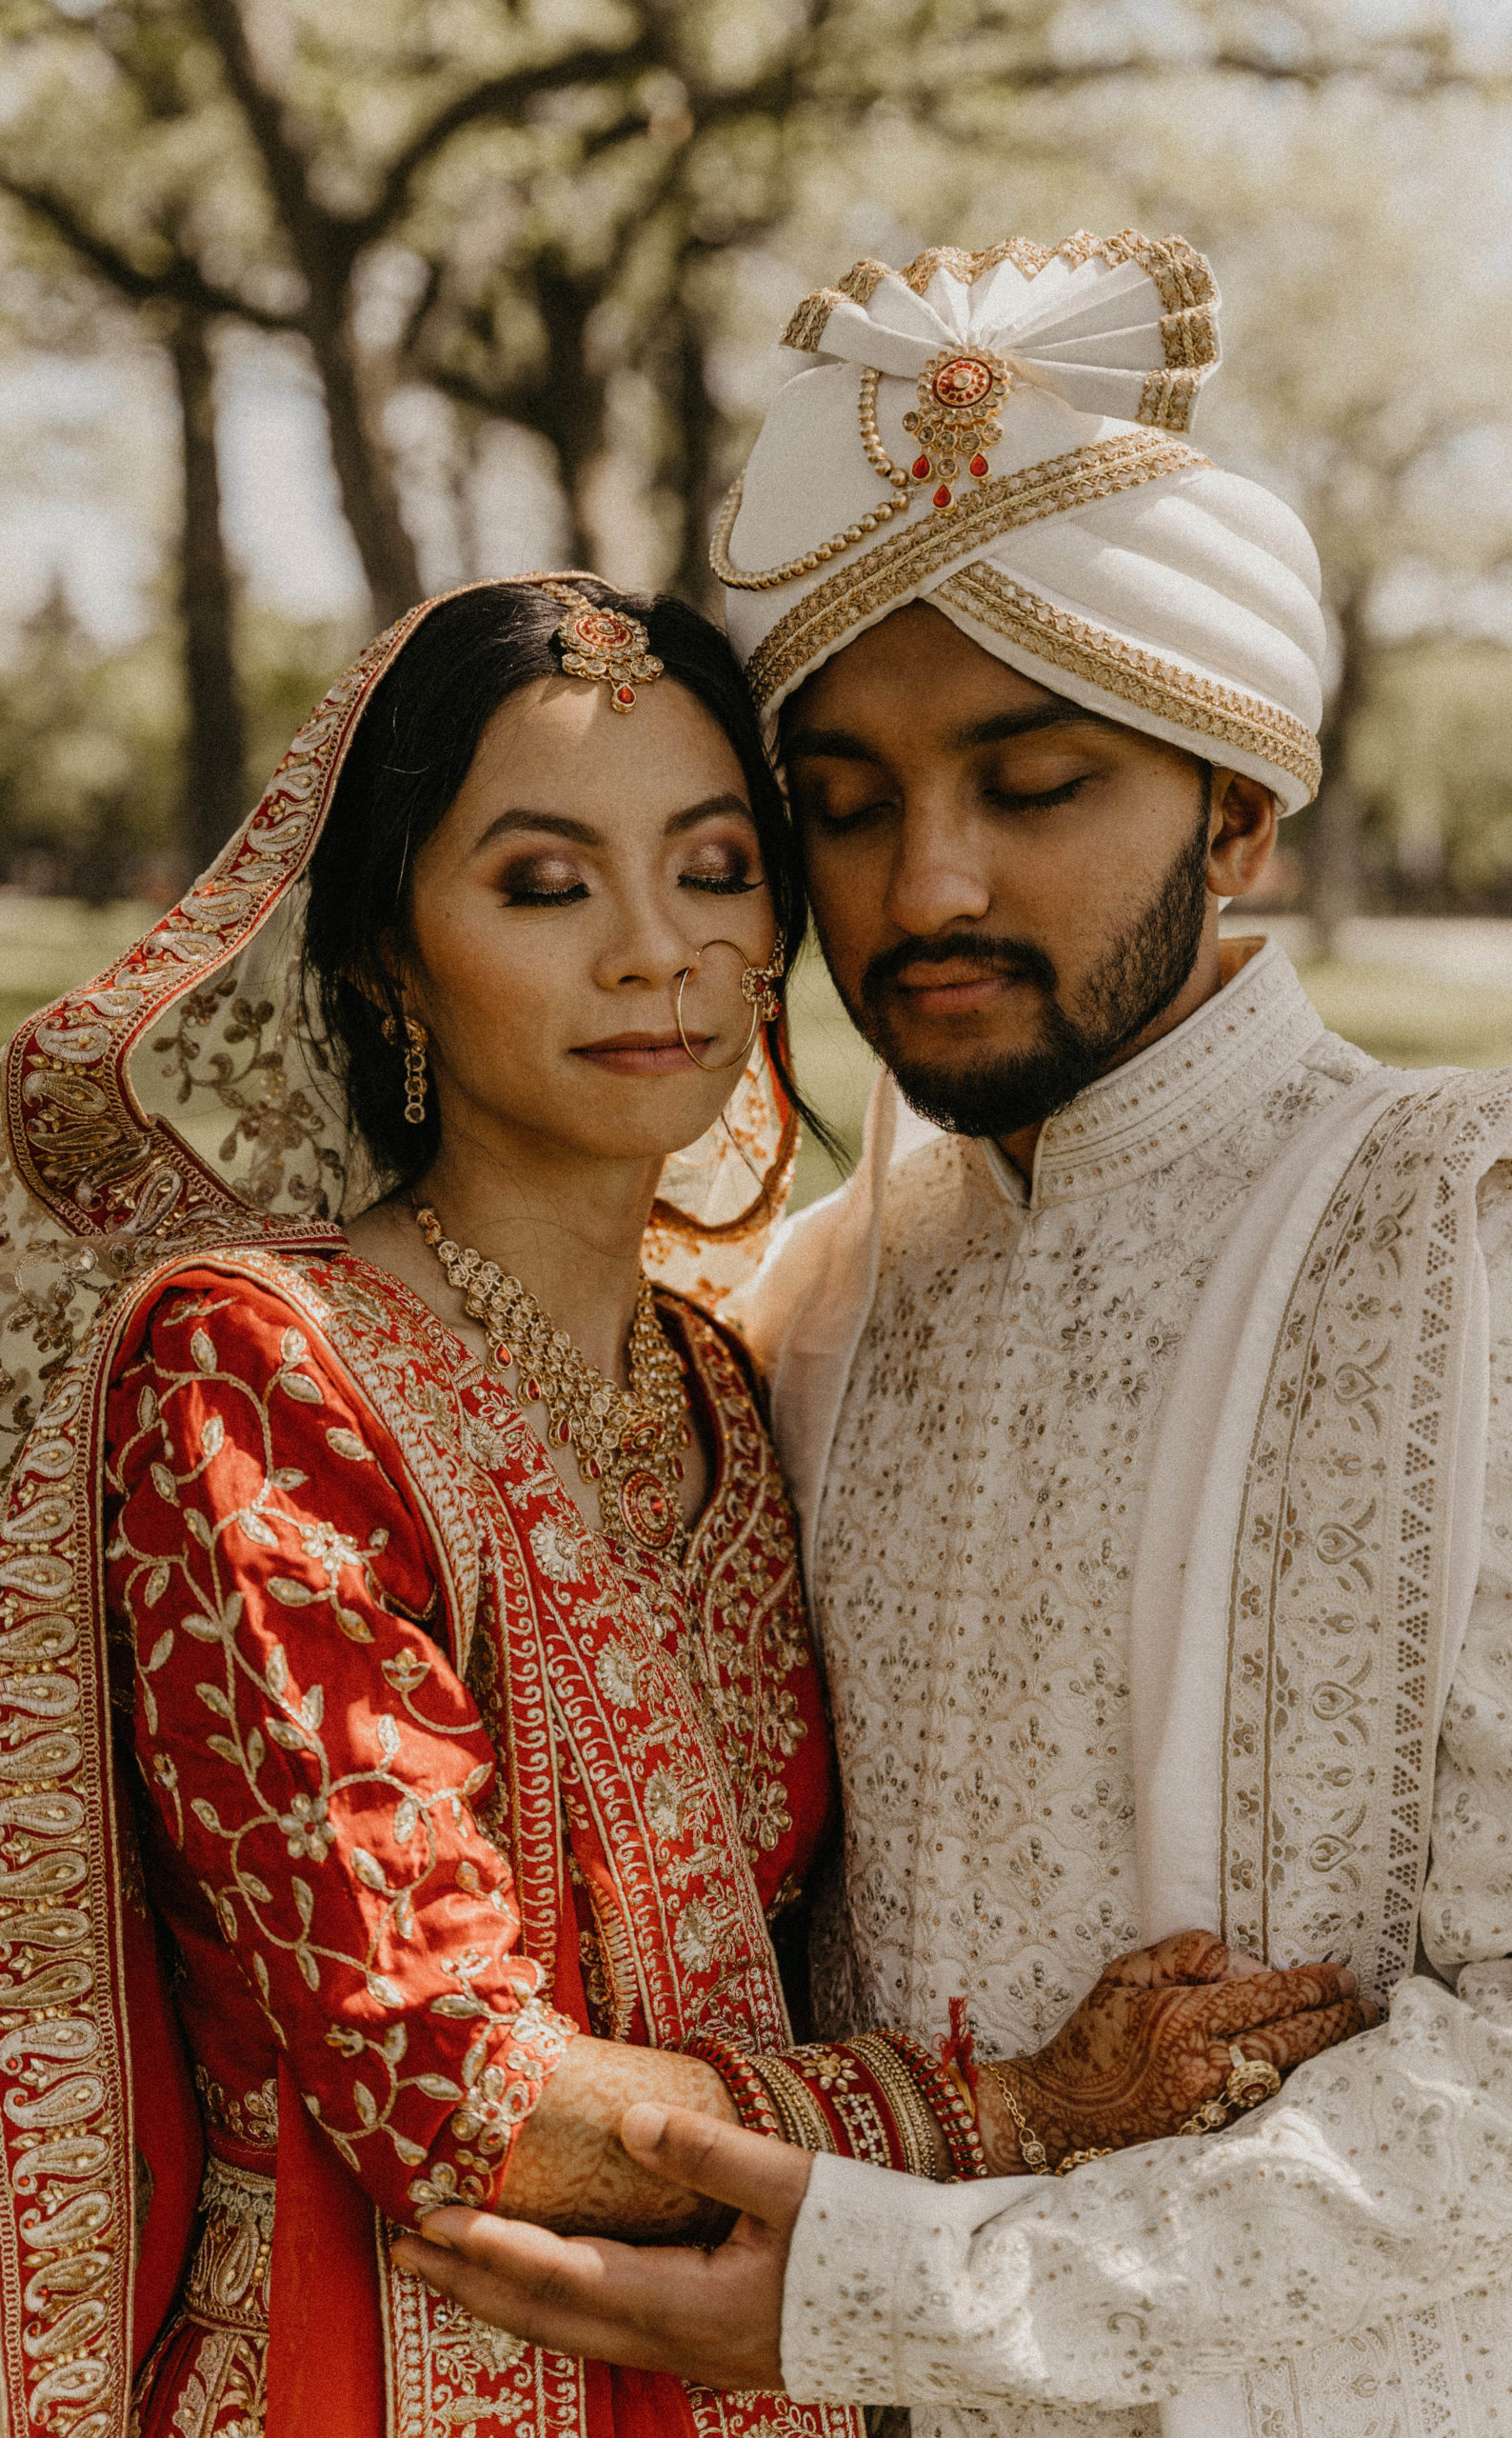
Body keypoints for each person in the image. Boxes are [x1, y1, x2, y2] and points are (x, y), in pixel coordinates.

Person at [395, 237, 1512, 2436]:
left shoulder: (1509, 1244)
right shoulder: (819, 1294)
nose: (922, 887)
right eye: (843, 804)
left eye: (1034, 782)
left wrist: (913, 2289)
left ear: (1236, 808)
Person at [0, 571, 1368, 2438]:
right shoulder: (265, 1377)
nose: (650, 948)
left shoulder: (738, 1373)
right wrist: (1016, 2110)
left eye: (715, 867)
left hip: (741, 2371)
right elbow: (453, 2085)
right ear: (390, 947)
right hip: (363, 2371)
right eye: (543, 883)